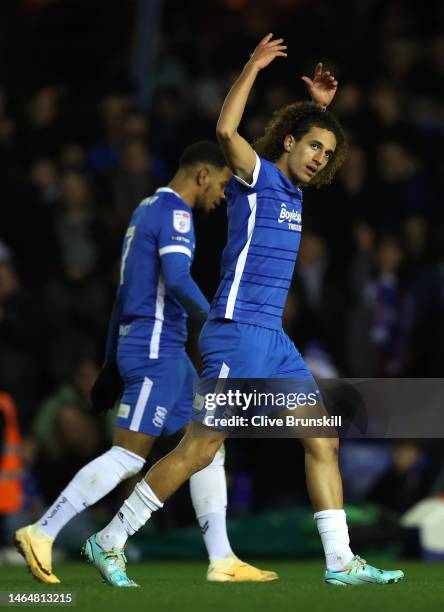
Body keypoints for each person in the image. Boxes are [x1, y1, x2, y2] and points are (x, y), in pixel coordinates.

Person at [83, 35, 404, 587]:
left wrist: (318, 114)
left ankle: (340, 562)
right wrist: (254, 66)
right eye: (312, 148)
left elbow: (306, 139)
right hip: (234, 336)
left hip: (272, 342)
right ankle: (108, 540)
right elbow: (225, 131)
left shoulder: (297, 193)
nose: (320, 158)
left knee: (322, 439)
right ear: (287, 142)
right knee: (200, 450)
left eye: (327, 153)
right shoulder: (256, 178)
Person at [14, 141, 276, 586]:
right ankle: (43, 532)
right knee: (127, 457)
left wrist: (110, 362)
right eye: (222, 184)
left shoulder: (143, 209)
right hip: (157, 348)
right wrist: (216, 321)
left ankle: (222, 558)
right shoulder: (176, 213)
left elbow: (122, 293)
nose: (221, 196)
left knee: (208, 448)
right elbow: (176, 279)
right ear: (201, 175)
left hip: (159, 351)